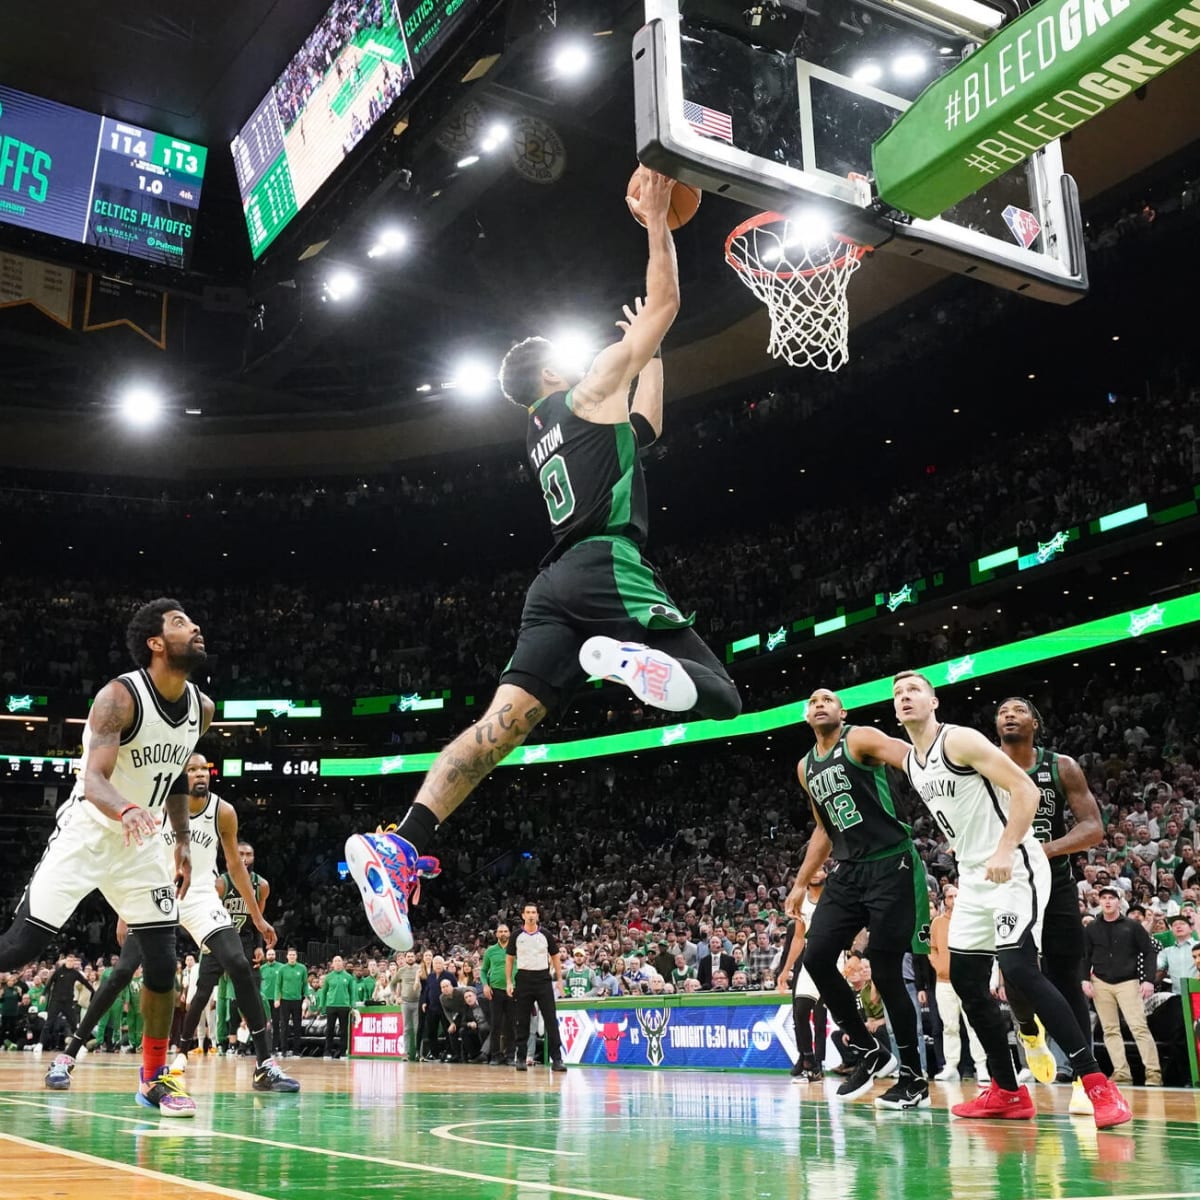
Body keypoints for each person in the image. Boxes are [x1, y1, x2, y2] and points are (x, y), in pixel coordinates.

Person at [346, 169, 741, 952]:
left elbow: (646, 425)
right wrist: (658, 227)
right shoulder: (583, 390)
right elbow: (664, 307)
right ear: (553, 373)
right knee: (723, 696)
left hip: (551, 586)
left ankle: (400, 841)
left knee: (499, 729)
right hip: (604, 564)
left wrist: (647, 354)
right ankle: (626, 657)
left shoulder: (547, 430)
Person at [0, 598, 210, 1116]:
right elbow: (93, 779)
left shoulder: (202, 708)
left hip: (143, 844)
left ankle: (155, 1078)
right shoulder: (119, 697)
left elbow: (180, 776)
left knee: (162, 964)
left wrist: (181, 839)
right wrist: (129, 808)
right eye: (181, 623)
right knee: (19, 947)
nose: (196, 626)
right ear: (155, 643)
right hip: (90, 832)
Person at [895, 670, 1131, 1128]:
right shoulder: (913, 759)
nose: (905, 697)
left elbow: (1028, 790)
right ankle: (1006, 1089)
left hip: (1017, 865)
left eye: (914, 691)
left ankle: (1097, 1083)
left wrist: (1003, 849)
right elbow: (877, 744)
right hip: (975, 875)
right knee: (965, 980)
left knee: (1023, 967)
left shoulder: (961, 740)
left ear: (934, 701)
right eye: (898, 693)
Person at [59, 755, 298, 1093]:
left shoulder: (223, 811)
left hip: (200, 893)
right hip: (157, 893)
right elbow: (134, 857)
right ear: (180, 776)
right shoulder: (157, 805)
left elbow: (235, 866)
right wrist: (124, 912)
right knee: (122, 972)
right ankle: (69, 1055)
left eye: (204, 769)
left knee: (239, 965)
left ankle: (265, 1066)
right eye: (192, 770)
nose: (200, 774)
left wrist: (257, 917)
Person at [783, 687, 931, 1111]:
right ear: (806, 717)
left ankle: (912, 1078)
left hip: (892, 863)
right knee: (816, 957)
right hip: (848, 871)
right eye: (812, 701)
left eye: (828, 699)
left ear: (841, 711)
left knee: (886, 971)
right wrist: (800, 882)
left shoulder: (860, 737)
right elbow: (823, 829)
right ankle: (868, 1050)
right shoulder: (805, 766)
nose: (819, 704)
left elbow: (908, 755)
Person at [995, 697, 1104, 1114]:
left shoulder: (1061, 766)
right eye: (1002, 711)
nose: (1008, 715)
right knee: (1014, 971)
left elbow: (1093, 827)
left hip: (1054, 882)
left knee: (1065, 977)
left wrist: (1045, 850)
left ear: (1035, 724)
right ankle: (1027, 1030)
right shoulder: (983, 766)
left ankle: (1083, 1076)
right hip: (1005, 883)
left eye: (1018, 710)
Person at [1083, 887, 1163, 1084]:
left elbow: (1149, 951)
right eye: (1104, 898)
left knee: (1139, 1027)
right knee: (1110, 1029)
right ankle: (1121, 1072)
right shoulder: (1092, 927)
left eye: (1111, 898)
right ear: (1099, 902)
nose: (1107, 901)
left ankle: (1153, 1072)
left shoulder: (1132, 926)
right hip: (1100, 981)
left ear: (1119, 902)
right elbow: (1084, 956)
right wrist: (1084, 979)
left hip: (1128, 981)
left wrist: (1147, 980)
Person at [213, 840, 270, 1052]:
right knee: (205, 994)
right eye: (241, 854)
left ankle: (258, 1044)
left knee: (252, 990)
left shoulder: (260, 885)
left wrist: (259, 945)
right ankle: (191, 1046)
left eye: (249, 854)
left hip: (245, 941)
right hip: (220, 938)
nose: (245, 858)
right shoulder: (221, 882)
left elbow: (259, 919)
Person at [929, 886, 989, 1084]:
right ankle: (951, 1066)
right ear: (944, 900)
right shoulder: (937, 923)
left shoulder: (970, 919)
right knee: (949, 1026)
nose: (953, 899)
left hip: (968, 981)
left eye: (956, 896)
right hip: (944, 981)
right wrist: (939, 967)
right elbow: (932, 948)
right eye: (950, 897)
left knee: (974, 1024)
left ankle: (981, 1066)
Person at [507, 902, 566, 1072]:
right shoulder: (516, 935)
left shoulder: (546, 934)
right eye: (528, 912)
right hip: (523, 979)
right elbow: (510, 959)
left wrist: (560, 980)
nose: (531, 915)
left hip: (543, 979)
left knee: (550, 1020)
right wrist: (509, 982)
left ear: (538, 915)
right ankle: (521, 1058)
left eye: (534, 912)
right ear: (523, 915)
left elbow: (555, 957)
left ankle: (557, 1059)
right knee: (522, 1021)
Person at [481, 924, 514, 1066]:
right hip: (495, 990)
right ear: (496, 934)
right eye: (500, 931)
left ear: (510, 933)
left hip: (512, 990)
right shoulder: (490, 951)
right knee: (496, 1024)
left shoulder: (515, 949)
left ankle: (511, 1055)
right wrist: (485, 985)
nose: (503, 933)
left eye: (505, 931)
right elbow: (483, 971)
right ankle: (495, 1055)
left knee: (511, 1025)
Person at [318, 956, 356, 1059]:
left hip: (344, 1006)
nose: (338, 963)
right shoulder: (328, 977)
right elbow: (323, 992)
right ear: (332, 964)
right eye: (335, 961)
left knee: (344, 1030)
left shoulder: (348, 977)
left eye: (339, 961)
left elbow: (352, 992)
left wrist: (353, 1005)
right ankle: (327, 1052)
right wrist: (322, 1006)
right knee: (329, 1029)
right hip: (331, 1006)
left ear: (343, 963)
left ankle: (343, 1052)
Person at [276, 948, 309, 1057]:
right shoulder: (282, 969)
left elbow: (305, 984)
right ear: (287, 956)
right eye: (290, 955)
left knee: (297, 1026)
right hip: (285, 1000)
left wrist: (306, 997)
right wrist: (277, 999)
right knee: (284, 1026)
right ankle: (284, 1050)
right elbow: (278, 985)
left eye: (293, 955)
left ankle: (296, 1051)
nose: (292, 957)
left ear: (296, 956)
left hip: (297, 1000)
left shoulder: (302, 968)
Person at [1157, 915, 1199, 993]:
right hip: (1177, 996)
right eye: (1174, 925)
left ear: (1191, 929)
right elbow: (1156, 966)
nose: (1178, 926)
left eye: (1182, 923)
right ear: (1171, 931)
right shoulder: (1167, 951)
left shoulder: (1198, 945)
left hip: (1197, 993)